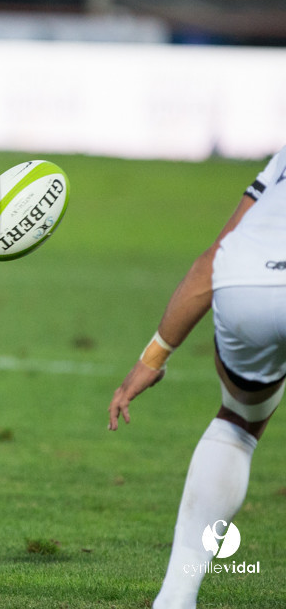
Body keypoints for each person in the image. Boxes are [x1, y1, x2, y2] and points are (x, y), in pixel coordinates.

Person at [108, 146, 286, 608]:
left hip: (245, 280)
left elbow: (212, 259)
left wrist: (152, 358)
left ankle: (176, 597)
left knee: (240, 421)